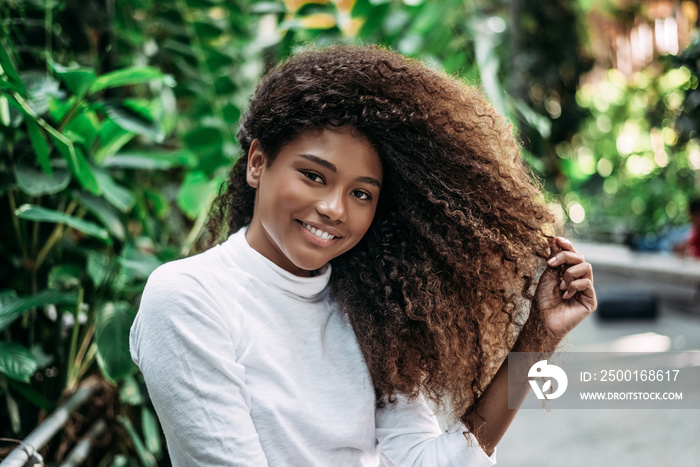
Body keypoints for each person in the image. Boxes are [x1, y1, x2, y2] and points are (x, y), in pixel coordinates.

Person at [129, 45, 597, 466]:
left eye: (361, 194)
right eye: (314, 176)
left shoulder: (367, 309)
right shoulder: (189, 298)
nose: (334, 208)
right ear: (257, 163)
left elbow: (430, 463)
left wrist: (538, 336)